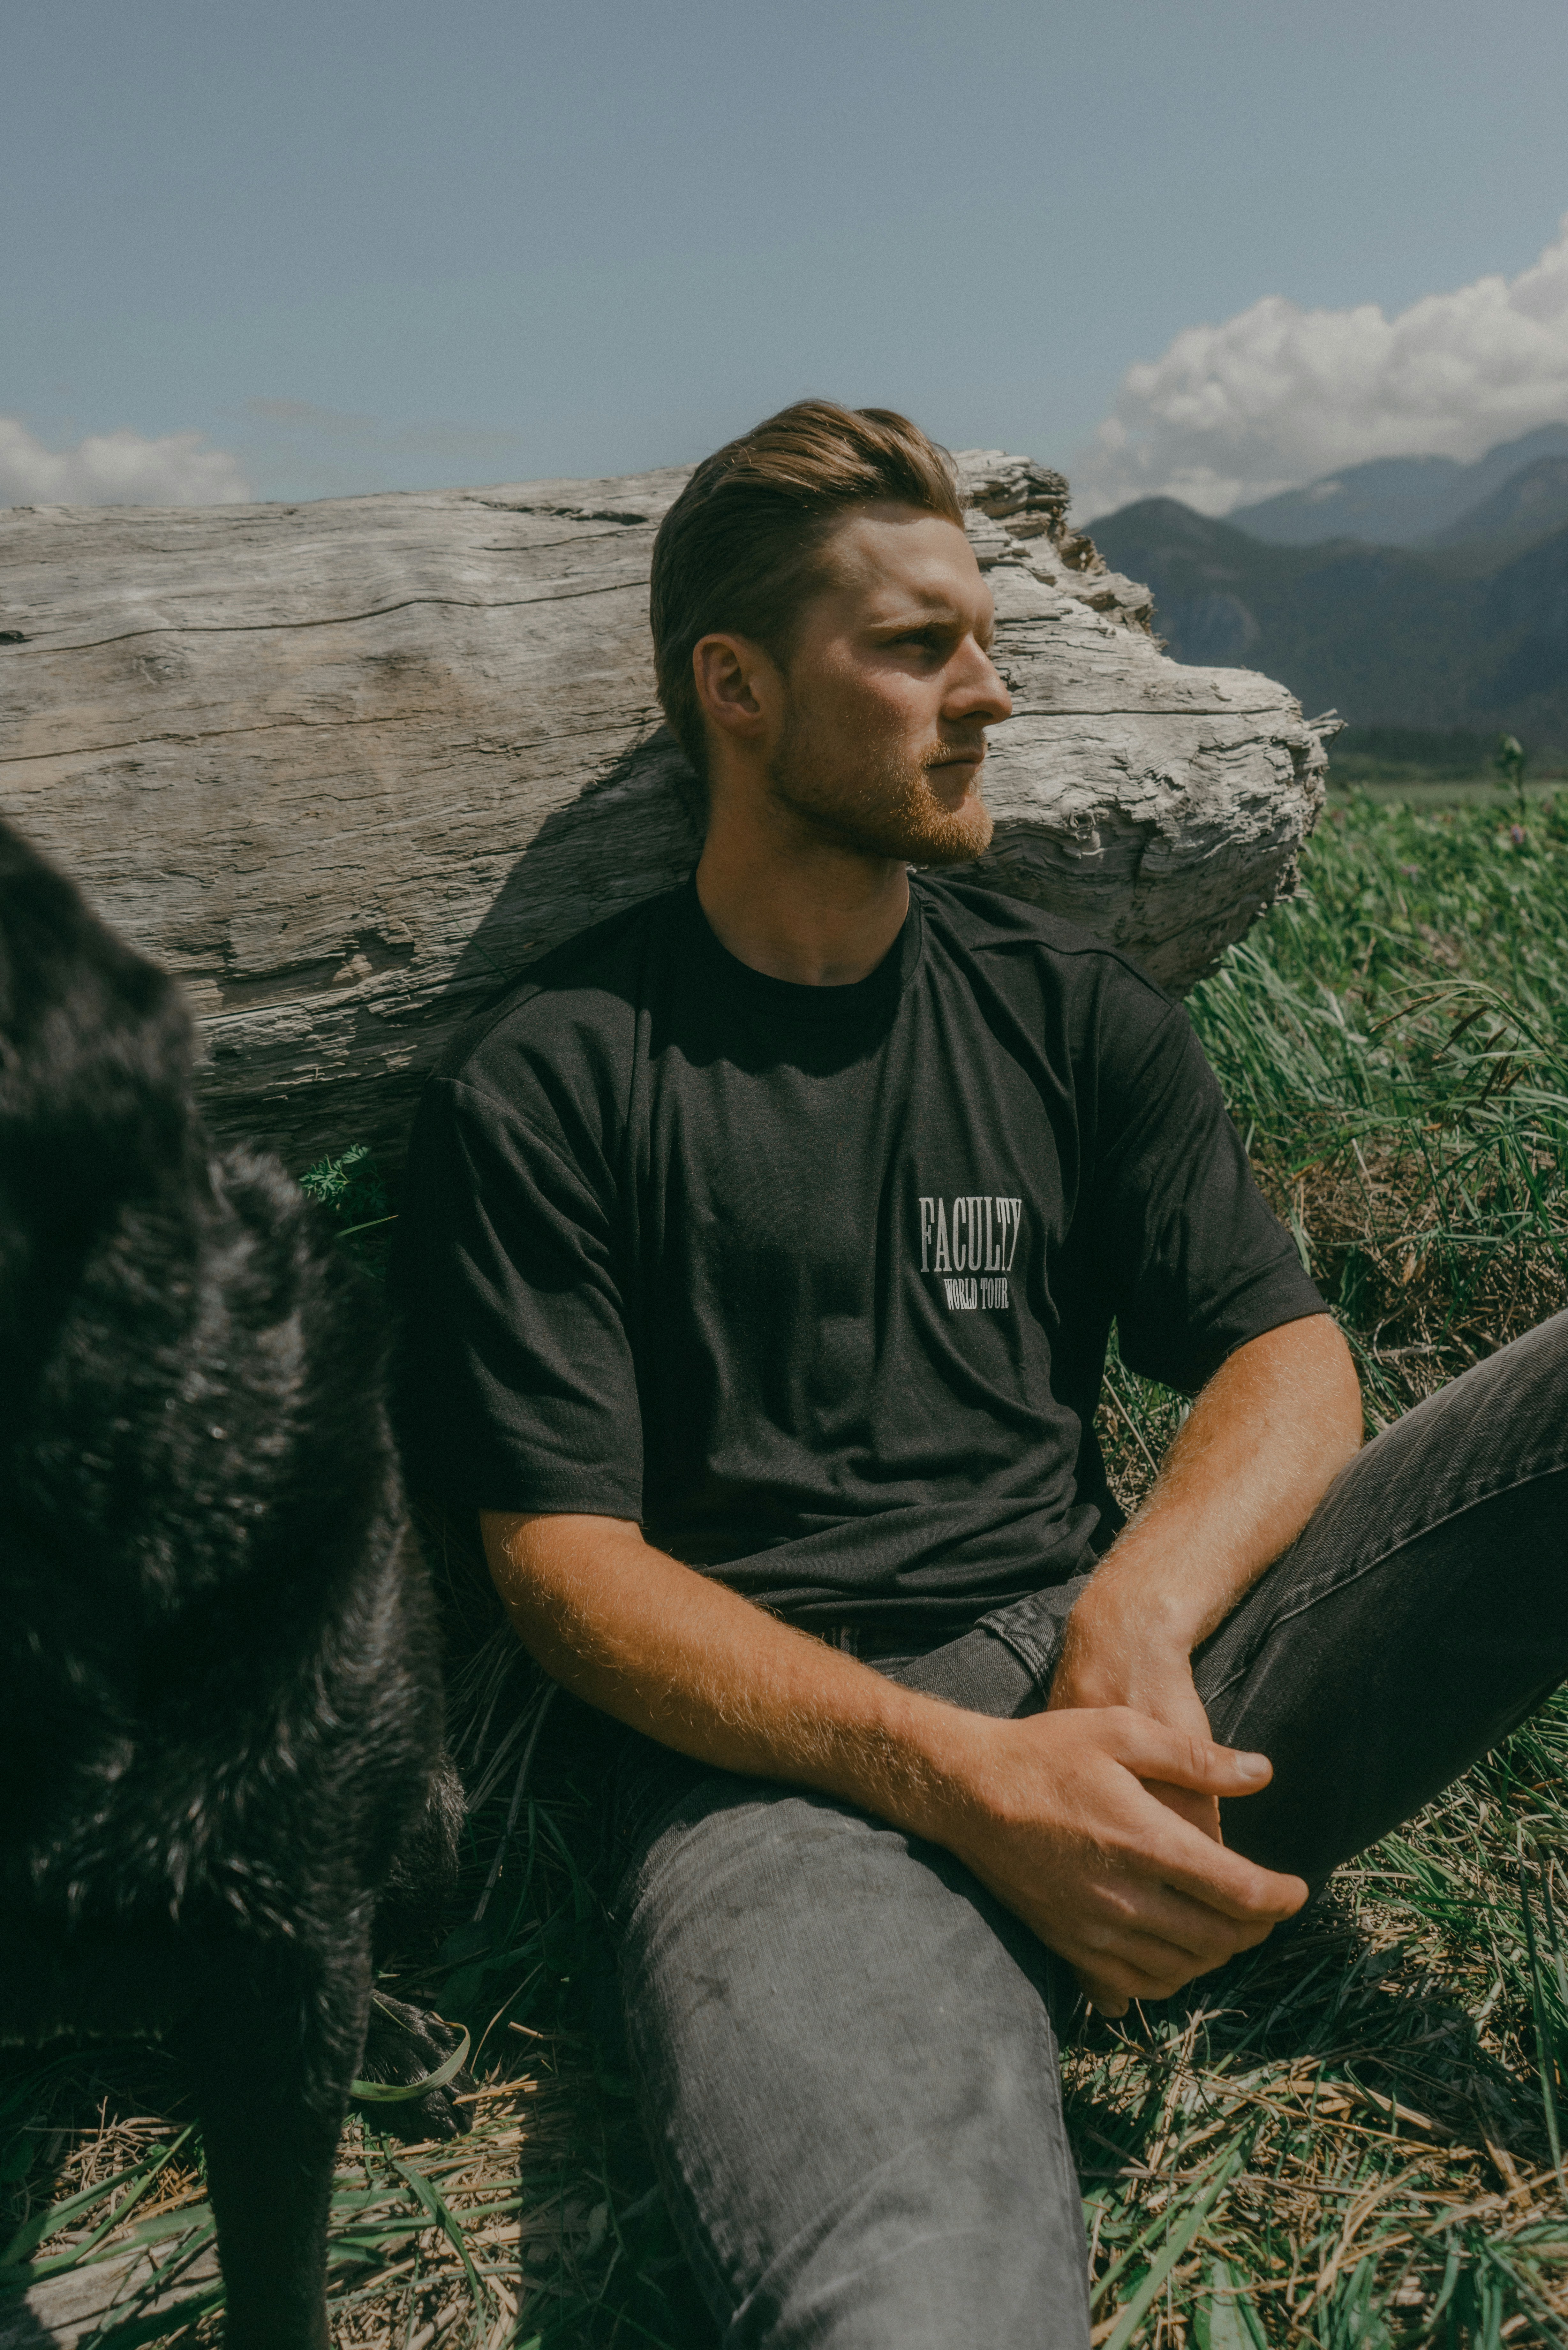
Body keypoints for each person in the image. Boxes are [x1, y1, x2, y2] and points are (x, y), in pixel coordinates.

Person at [392, 400, 1568, 2349]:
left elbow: (1284, 1355)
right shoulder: (561, 1079)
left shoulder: (1059, 1012)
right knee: (917, 2306)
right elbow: (564, 1569)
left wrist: (1135, 1619)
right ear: (738, 688)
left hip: (1133, 1698)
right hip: (789, 1786)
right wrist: (965, 1783)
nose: (992, 697)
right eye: (922, 648)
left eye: (985, 642)